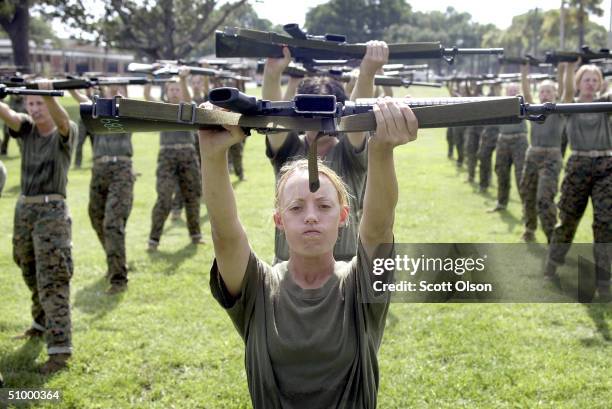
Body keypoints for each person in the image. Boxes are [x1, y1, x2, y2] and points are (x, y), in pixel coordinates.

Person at [199, 96, 418, 408]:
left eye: (324, 206)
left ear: (344, 217)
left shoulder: (361, 286)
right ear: (279, 220)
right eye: (296, 207)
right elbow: (226, 235)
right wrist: (212, 155)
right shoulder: (258, 288)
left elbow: (378, 229)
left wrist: (380, 150)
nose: (311, 215)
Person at [262, 42, 387, 263]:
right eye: (311, 112)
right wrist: (272, 74)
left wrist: (367, 73)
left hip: (342, 268)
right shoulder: (289, 148)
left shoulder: (349, 152)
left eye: (325, 112)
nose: (318, 120)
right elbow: (274, 120)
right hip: (288, 268)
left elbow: (355, 120)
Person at [0, 81, 77, 374]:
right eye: (30, 103)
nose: (33, 109)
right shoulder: (26, 129)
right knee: (26, 265)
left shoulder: (64, 131)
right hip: (24, 209)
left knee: (53, 276)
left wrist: (48, 94)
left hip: (52, 211)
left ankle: (60, 350)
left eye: (39, 103)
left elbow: (61, 121)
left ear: (50, 102)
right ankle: (40, 322)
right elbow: (9, 114)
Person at [545, 63, 612, 301]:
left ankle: (604, 281)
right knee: (569, 219)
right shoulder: (570, 105)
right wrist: (568, 67)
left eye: (595, 80)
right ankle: (552, 264)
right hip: (578, 165)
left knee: (605, 223)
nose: (591, 83)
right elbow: (564, 93)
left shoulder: (606, 104)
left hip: (606, 165)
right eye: (587, 79)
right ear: (578, 82)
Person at [70, 85, 135, 294]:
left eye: (120, 89)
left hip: (122, 169)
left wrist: (120, 99)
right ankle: (114, 260)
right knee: (96, 217)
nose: (115, 92)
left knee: (112, 222)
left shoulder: (128, 111)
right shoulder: (96, 111)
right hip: (99, 169)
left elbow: (124, 104)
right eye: (111, 88)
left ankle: (119, 279)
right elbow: (82, 100)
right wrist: (73, 88)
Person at [144, 68, 203, 251]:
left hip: (187, 155)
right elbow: (146, 95)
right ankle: (153, 240)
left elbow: (188, 98)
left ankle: (196, 235)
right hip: (167, 156)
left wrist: (183, 80)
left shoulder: (188, 107)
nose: (175, 92)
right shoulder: (162, 109)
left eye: (177, 89)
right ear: (166, 92)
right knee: (164, 197)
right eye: (172, 89)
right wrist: (149, 77)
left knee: (192, 196)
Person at [518, 63, 566, 242]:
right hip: (532, 155)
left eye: (549, 91)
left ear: (555, 94)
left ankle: (552, 236)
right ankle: (529, 229)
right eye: (543, 91)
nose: (545, 94)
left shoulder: (559, 111)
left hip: (551, 157)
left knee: (544, 198)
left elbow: (564, 92)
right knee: (527, 193)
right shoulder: (534, 110)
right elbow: (526, 93)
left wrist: (561, 71)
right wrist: (524, 72)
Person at [489, 82, 528, 212]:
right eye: (510, 90)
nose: (512, 93)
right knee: (501, 172)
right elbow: (494, 95)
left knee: (521, 175)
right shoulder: (501, 104)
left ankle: (525, 207)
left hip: (519, 141)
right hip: (503, 141)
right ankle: (501, 202)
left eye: (515, 90)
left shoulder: (523, 105)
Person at [73, 88, 95, 168]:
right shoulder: (82, 96)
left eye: (89, 88)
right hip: (83, 124)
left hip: (92, 124)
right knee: (79, 144)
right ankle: (77, 164)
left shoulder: (96, 96)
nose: (88, 90)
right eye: (86, 88)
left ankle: (96, 162)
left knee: (95, 144)